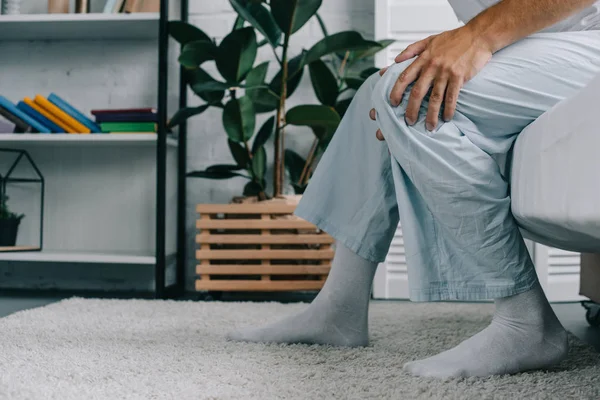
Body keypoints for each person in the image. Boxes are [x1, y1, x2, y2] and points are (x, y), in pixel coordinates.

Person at [227, 0, 600, 378]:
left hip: (589, 42)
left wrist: (477, 36)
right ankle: (339, 309)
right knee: (383, 89)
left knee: (409, 94)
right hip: (537, 45)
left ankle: (526, 322)